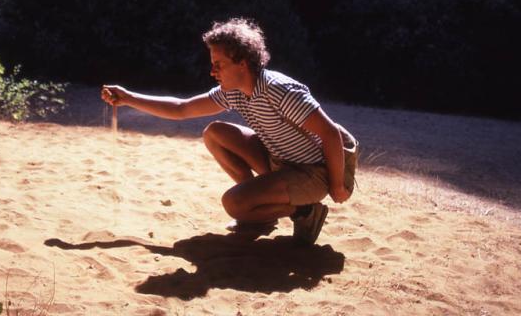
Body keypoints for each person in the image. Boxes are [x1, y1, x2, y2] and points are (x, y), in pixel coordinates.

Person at [101, 17, 358, 245]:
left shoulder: (279, 90)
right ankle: (261, 212)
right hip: (280, 161)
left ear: (242, 62)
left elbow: (329, 133)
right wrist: (128, 97)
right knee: (216, 133)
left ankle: (304, 211)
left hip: (314, 171)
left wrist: (337, 186)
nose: (212, 71)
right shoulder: (234, 92)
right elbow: (181, 108)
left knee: (233, 204)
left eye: (218, 64)